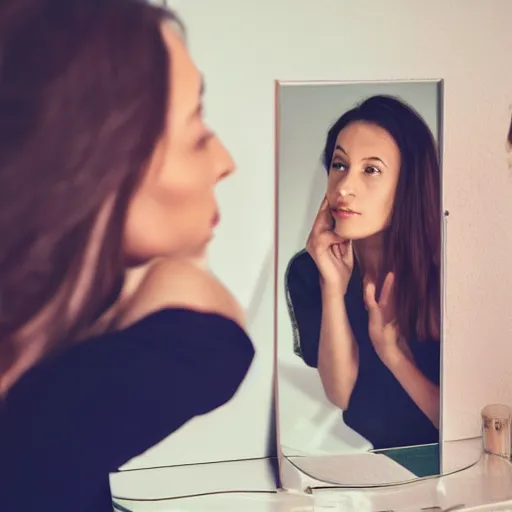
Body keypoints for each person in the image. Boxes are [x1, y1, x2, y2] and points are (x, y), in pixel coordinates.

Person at [0, 1, 255, 511]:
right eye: (197, 133)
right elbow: (212, 335)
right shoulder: (31, 447)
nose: (225, 162)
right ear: (92, 166)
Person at [285, 95, 441, 450]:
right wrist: (332, 288)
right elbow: (340, 394)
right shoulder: (308, 271)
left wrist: (392, 351)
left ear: (408, 185)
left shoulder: (447, 269)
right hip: (372, 464)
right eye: (339, 165)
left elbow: (465, 426)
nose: (344, 188)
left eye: (370, 170)